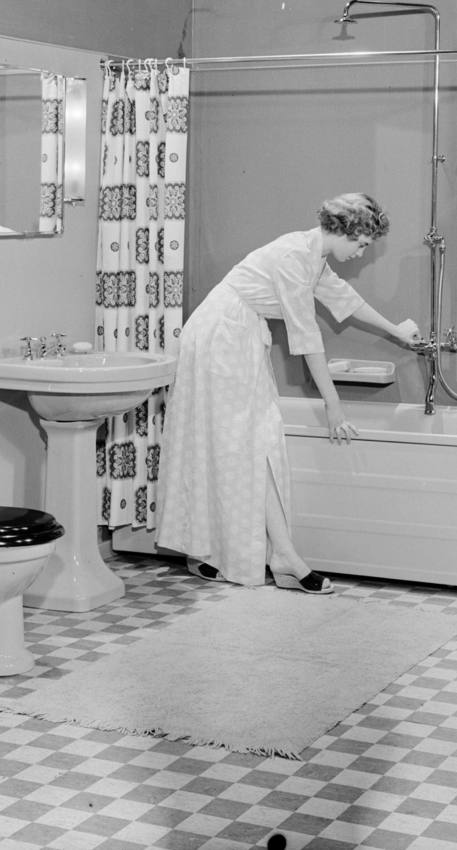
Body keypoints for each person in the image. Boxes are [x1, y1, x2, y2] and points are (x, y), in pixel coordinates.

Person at [156, 193, 422, 593]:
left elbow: (346, 301)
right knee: (241, 444)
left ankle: (249, 552)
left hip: (236, 334)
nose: (362, 253)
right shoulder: (294, 258)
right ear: (345, 232)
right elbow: (307, 337)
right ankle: (275, 555)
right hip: (221, 337)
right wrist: (333, 405)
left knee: (250, 443)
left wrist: (396, 331)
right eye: (362, 244)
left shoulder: (311, 255)